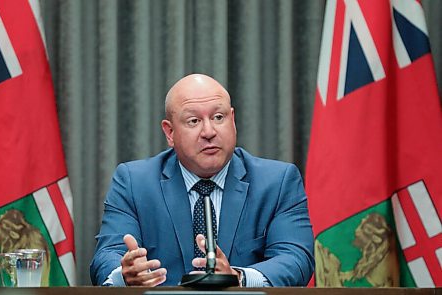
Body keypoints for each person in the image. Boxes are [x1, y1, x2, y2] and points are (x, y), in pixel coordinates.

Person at [90, 74, 314, 287]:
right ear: (170, 132)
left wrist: (238, 277)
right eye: (194, 121)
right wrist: (125, 274)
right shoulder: (134, 182)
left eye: (218, 117)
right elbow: (106, 256)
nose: (209, 131)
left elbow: (296, 258)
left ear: (233, 120)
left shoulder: (277, 182)